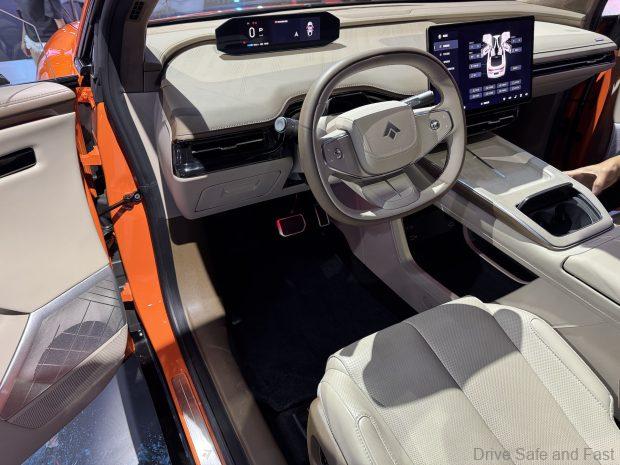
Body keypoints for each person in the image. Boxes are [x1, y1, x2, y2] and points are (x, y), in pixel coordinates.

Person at [17, 0, 66, 68]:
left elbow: (59, 21)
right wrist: (23, 41)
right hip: (32, 41)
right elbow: (25, 17)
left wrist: (64, 47)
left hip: (50, 43)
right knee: (40, 72)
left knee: (56, 72)